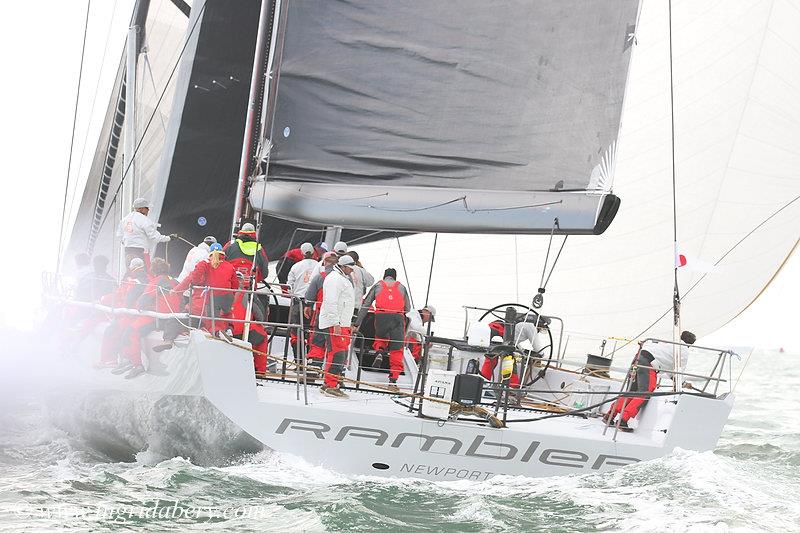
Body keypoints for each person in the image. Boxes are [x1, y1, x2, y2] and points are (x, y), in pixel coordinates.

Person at [604, 331, 697, 431]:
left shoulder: (669, 343)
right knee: (644, 393)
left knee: (631, 391)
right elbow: (677, 373)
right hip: (648, 364)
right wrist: (683, 384)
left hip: (638, 358)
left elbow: (671, 370)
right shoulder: (684, 352)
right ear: (690, 344)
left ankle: (610, 416)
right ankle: (623, 420)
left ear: (681, 337)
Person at [117, 258, 180, 379]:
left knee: (131, 331)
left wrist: (140, 307)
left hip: (159, 318)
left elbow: (143, 300)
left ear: (154, 270)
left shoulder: (156, 281)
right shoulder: (175, 281)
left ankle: (136, 364)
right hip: (174, 319)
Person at [355, 268, 411, 391]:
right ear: (395, 277)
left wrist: (357, 323)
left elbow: (366, 305)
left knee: (380, 337)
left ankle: (379, 351)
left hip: (381, 316)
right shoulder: (401, 287)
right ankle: (393, 381)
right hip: (397, 317)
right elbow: (408, 308)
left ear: (384, 276)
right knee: (397, 349)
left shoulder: (377, 286)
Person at [174, 242, 239, 335]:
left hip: (200, 307)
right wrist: (230, 293)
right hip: (226, 297)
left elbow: (192, 278)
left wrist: (176, 290)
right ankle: (228, 329)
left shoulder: (205, 265)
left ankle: (217, 332)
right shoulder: (229, 266)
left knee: (210, 320)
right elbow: (235, 285)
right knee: (225, 314)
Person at [95, 258, 149, 369]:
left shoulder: (134, 282)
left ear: (132, 268)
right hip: (140, 314)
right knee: (117, 330)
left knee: (111, 331)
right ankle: (125, 359)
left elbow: (125, 298)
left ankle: (110, 360)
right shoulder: (148, 279)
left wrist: (102, 299)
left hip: (130, 315)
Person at [318, 255, 356, 397]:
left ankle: (329, 384)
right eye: (350, 268)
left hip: (341, 322)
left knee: (339, 353)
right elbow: (330, 302)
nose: (351, 271)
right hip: (336, 323)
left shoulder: (339, 278)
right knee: (337, 353)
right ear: (344, 266)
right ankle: (331, 386)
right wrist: (336, 323)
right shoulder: (335, 279)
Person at [227, 272, 269, 374]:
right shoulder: (247, 294)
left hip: (225, 331)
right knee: (262, 336)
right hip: (242, 330)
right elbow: (260, 317)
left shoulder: (221, 292)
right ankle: (259, 371)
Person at [303, 252, 339, 367]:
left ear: (325, 262)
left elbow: (309, 296)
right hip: (338, 316)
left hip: (321, 313)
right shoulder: (343, 279)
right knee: (335, 343)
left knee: (318, 339)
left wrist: (308, 306)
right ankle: (336, 369)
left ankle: (314, 365)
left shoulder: (319, 277)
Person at [116, 198, 173, 268]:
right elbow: (155, 237)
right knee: (144, 273)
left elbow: (119, 235)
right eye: (147, 208)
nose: (148, 210)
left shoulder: (124, 220)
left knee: (130, 271)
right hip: (140, 252)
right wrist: (169, 238)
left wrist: (127, 242)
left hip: (128, 251)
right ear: (141, 209)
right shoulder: (144, 220)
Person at [286, 243, 319, 355]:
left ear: (302, 253)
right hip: (314, 303)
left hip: (298, 302)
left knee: (296, 333)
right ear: (313, 252)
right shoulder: (318, 265)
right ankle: (310, 360)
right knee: (312, 332)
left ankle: (299, 361)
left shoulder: (296, 266)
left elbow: (289, 286)